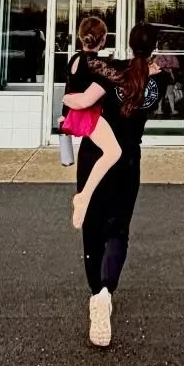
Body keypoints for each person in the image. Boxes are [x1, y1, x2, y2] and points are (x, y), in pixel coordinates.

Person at [60, 22, 159, 347]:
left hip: (94, 156)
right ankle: (104, 292)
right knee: (118, 229)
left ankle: (95, 294)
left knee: (93, 228)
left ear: (128, 45)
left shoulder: (113, 72)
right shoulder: (158, 81)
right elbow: (147, 80)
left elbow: (88, 95)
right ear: (154, 47)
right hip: (128, 161)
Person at [60, 17, 125, 228]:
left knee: (108, 152)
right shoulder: (96, 63)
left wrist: (64, 113)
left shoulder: (74, 60)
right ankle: (84, 196)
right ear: (103, 39)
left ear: (80, 37)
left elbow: (69, 87)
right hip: (88, 115)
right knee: (114, 152)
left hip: (74, 113)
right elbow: (120, 76)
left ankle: (85, 197)